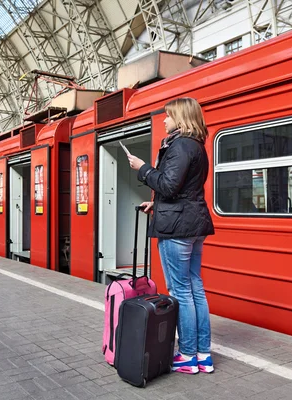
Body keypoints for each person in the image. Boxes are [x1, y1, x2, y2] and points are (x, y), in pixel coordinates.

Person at [127, 97, 215, 374]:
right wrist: (157, 204)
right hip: (194, 223)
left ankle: (188, 355)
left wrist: (142, 168)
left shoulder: (179, 146)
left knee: (181, 292)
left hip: (177, 228)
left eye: (168, 116)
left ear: (180, 118)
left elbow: (168, 185)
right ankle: (203, 354)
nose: (164, 120)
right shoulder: (198, 147)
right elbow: (184, 189)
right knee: (196, 289)